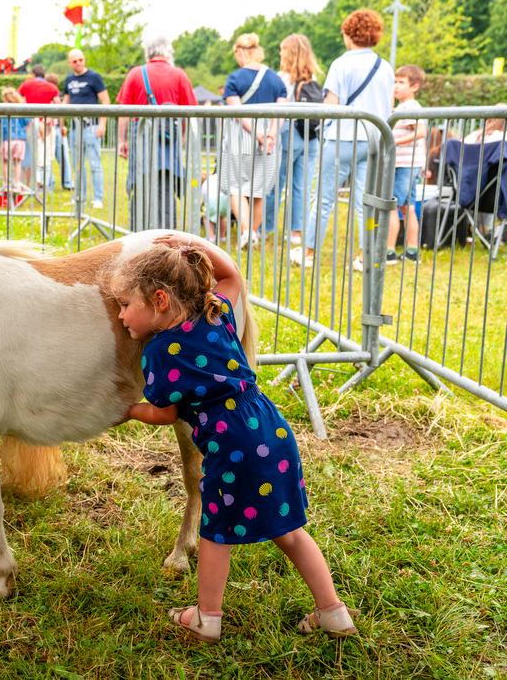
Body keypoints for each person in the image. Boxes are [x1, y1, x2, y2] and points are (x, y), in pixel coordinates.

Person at [111, 231, 359, 644]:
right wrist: (193, 248)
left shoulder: (160, 351)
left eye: (124, 305)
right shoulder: (216, 313)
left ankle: (207, 618)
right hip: (271, 429)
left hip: (232, 447)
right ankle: (333, 612)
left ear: (158, 301)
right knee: (292, 531)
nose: (120, 317)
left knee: (215, 533)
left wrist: (126, 410)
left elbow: (165, 412)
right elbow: (231, 276)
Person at [291, 9, 394, 272]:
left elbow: (331, 106)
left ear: (349, 34)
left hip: (342, 139)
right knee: (367, 201)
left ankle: (309, 252)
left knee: (323, 199)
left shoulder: (341, 64)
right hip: (374, 140)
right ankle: (365, 256)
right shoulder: (386, 67)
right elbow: (389, 107)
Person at [115, 33, 198, 230]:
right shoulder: (179, 74)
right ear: (168, 52)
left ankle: (139, 233)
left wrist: (122, 140)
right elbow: (191, 111)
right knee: (167, 186)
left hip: (141, 137)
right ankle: (167, 236)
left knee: (141, 182)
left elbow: (123, 112)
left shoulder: (135, 73)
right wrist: (184, 135)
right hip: (170, 139)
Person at [220, 33, 287, 249]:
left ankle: (248, 232)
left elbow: (237, 111)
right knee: (259, 191)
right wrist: (270, 134)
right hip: (269, 143)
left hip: (241, 141)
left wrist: (255, 131)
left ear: (240, 53)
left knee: (235, 187)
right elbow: (281, 112)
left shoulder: (234, 78)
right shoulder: (276, 79)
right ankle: (254, 235)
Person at [265, 34, 322, 247]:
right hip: (310, 137)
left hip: (288, 135)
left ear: (289, 52)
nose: (279, 53)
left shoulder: (282, 78)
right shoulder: (313, 78)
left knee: (274, 182)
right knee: (302, 186)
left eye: (282, 49)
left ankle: (265, 226)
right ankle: (296, 231)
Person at [387, 65, 427, 263]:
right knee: (407, 208)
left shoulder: (409, 107)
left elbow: (420, 132)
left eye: (401, 82)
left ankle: (389, 251)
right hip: (410, 164)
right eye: (395, 81)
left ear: (415, 86)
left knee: (392, 205)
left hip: (404, 165)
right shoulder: (404, 107)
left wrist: (392, 141)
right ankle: (411, 251)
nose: (396, 86)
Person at [63, 48, 110, 210]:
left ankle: (98, 198)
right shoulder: (69, 80)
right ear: (70, 63)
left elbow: (105, 100)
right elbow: (65, 103)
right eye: (75, 61)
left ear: (84, 59)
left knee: (95, 164)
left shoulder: (94, 77)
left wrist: (102, 123)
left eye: (81, 60)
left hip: (92, 127)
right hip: (75, 129)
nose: (79, 64)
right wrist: (61, 123)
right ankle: (80, 197)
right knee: (78, 165)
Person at [18, 64, 61, 191]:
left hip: (31, 123)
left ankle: (29, 185)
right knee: (46, 156)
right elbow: (59, 107)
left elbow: (16, 99)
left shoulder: (26, 84)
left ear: (33, 74)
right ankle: (45, 186)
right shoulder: (52, 87)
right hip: (47, 124)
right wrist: (61, 126)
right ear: (44, 75)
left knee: (31, 155)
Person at [46, 72, 75, 190]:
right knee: (63, 158)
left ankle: (51, 183)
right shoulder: (58, 95)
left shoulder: (50, 95)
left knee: (49, 158)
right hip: (56, 128)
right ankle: (67, 182)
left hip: (52, 128)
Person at [0, 88, 29, 192]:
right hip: (19, 140)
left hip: (7, 139)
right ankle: (16, 184)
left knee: (5, 162)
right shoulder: (20, 108)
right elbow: (27, 121)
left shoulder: (2, 109)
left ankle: (6, 184)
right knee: (17, 163)